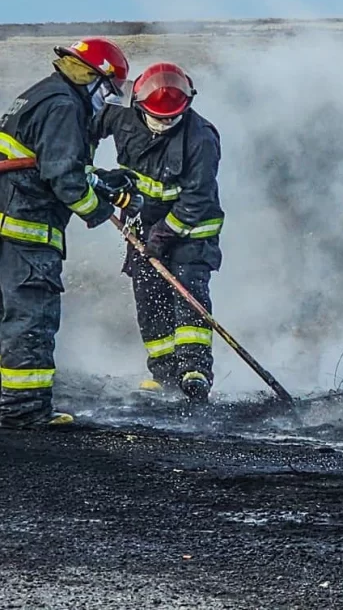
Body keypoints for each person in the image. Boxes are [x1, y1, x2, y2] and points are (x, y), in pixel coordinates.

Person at [0, 37, 131, 428]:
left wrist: (99, 178)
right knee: (30, 317)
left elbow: (40, 161)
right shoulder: (64, 106)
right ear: (95, 80)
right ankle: (23, 411)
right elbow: (64, 177)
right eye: (106, 91)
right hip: (27, 233)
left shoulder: (41, 93)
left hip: (9, 222)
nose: (104, 101)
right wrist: (100, 208)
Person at [91, 62, 224, 403]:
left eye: (171, 118)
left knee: (188, 294)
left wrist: (162, 236)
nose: (165, 123)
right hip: (143, 227)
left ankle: (194, 372)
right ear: (139, 105)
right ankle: (163, 374)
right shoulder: (123, 118)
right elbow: (86, 126)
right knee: (149, 299)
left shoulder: (201, 138)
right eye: (158, 117)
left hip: (191, 232)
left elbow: (197, 198)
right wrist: (87, 169)